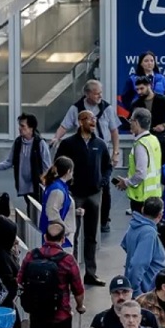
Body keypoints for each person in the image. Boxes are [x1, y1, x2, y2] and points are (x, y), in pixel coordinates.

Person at [19, 222, 86, 328]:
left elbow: (19, 280)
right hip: (61, 317)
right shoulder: (67, 260)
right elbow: (78, 289)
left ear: (44, 237)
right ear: (63, 239)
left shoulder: (30, 256)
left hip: (37, 315)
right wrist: (79, 306)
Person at [51, 80, 120, 233]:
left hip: (101, 150)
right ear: (87, 94)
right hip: (83, 149)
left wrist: (115, 152)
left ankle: (103, 221)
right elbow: (64, 125)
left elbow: (114, 131)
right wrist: (56, 138)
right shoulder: (76, 108)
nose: (99, 96)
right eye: (96, 93)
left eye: (101, 93)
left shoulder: (107, 108)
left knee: (105, 189)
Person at [56, 111, 111, 284]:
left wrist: (103, 181)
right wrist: (66, 186)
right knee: (73, 234)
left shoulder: (100, 144)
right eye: (89, 119)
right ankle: (71, 274)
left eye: (95, 119)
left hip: (94, 195)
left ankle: (90, 273)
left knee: (91, 236)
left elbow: (107, 166)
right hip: (75, 195)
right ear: (80, 122)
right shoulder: (68, 144)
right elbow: (58, 165)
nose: (93, 121)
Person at [0, 113, 52, 204]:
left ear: (31, 128)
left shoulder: (40, 143)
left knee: (37, 209)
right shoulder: (18, 143)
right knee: (30, 209)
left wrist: (47, 184)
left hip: (37, 186)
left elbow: (47, 167)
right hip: (24, 186)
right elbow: (9, 162)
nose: (20, 128)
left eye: (23, 126)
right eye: (19, 125)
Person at [114, 108, 162, 213]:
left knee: (140, 227)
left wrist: (126, 182)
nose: (130, 123)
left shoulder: (141, 144)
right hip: (154, 194)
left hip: (141, 197)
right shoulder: (153, 139)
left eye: (131, 120)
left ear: (136, 122)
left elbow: (141, 173)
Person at [90, 275, 162, 328]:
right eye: (116, 293)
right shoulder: (101, 320)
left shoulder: (148, 318)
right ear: (110, 295)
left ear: (131, 293)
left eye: (125, 292)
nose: (121, 297)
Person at [122, 197, 165, 297]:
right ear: (160, 215)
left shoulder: (133, 225)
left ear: (142, 209)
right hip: (148, 292)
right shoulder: (149, 233)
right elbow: (137, 264)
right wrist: (137, 293)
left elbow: (125, 245)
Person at [39, 156, 78, 251]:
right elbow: (52, 212)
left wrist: (75, 211)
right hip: (60, 239)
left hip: (57, 237)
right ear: (68, 171)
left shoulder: (56, 186)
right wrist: (65, 230)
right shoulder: (58, 190)